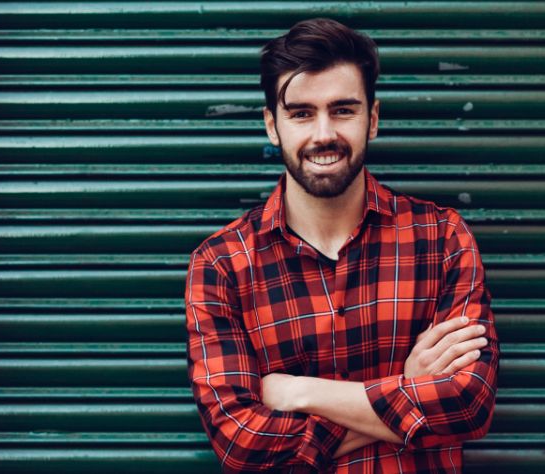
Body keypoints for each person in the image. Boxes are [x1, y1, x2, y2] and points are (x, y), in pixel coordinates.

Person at [185, 17, 498, 473]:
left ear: (373, 119)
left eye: (343, 109)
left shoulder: (442, 238)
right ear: (272, 125)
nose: (324, 134)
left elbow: (469, 404)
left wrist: (299, 393)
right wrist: (406, 389)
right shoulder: (221, 265)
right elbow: (240, 444)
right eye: (301, 113)